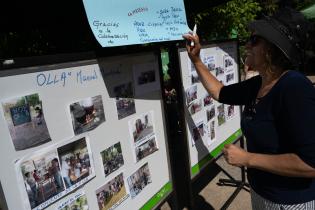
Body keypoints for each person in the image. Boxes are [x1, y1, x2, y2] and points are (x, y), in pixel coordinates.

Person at [183, 7, 315, 209]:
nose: (246, 45)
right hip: (261, 193)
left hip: (289, 202)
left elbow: (310, 164)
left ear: (271, 49)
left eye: (254, 40)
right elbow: (219, 92)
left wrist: (248, 158)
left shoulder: (293, 87)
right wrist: (196, 60)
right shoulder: (259, 83)